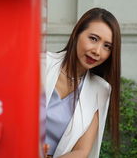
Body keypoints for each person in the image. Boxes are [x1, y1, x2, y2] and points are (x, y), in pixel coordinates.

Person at [44, 8, 121, 158]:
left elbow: (81, 151)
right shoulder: (41, 64)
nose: (97, 51)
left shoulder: (100, 89)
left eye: (107, 46)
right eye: (93, 38)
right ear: (77, 33)